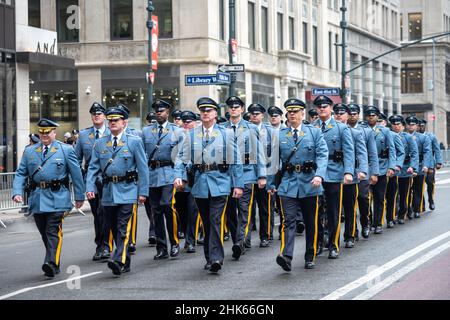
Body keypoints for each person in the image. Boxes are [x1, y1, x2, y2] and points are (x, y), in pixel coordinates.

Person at [174, 97, 244, 273]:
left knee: (215, 220)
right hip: (200, 183)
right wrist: (178, 176)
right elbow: (181, 158)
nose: (205, 113)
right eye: (203, 111)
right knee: (206, 222)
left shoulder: (226, 133)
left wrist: (238, 185)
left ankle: (216, 258)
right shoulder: (191, 135)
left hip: (220, 181)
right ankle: (209, 257)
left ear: (215, 114)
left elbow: (236, 161)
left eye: (209, 110)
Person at [12, 119, 85, 277]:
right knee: (44, 232)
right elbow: (21, 173)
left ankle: (50, 262)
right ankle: (53, 261)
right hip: (37, 198)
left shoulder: (65, 149)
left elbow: (76, 175)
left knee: (52, 230)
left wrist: (79, 196)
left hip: (58, 197)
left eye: (47, 132)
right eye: (42, 132)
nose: (44, 135)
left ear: (54, 132)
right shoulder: (30, 151)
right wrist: (17, 192)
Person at [86, 107, 149, 276]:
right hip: (108, 192)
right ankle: (125, 261)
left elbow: (143, 169)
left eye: (116, 120)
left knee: (123, 227)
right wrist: (90, 187)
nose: (112, 123)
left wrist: (143, 192)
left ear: (124, 123)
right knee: (113, 227)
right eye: (110, 120)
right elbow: (93, 167)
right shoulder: (100, 143)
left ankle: (118, 259)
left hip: (128, 190)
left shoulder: (134, 141)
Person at [268, 98, 328, 270]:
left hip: (311, 183)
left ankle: (310, 254)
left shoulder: (314, 133)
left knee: (311, 222)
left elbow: (323, 155)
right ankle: (286, 256)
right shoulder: (280, 135)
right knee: (288, 222)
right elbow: (273, 162)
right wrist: (272, 184)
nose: (292, 114)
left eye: (296, 111)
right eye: (290, 111)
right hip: (288, 184)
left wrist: (319, 176)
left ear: (303, 113)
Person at [222, 96, 266, 260]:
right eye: (231, 107)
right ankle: (237, 240)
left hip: (247, 172)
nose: (233, 109)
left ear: (242, 109)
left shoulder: (251, 128)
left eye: (237, 107)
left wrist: (261, 175)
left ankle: (240, 242)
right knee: (230, 212)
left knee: (244, 210)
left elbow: (259, 152)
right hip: (227, 174)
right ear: (228, 110)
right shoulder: (221, 128)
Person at [312, 95, 355, 259]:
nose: (322, 108)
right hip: (316, 174)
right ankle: (317, 243)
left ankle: (333, 244)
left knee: (333, 211)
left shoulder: (340, 128)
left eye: (325, 106)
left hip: (334, 172)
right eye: (319, 106)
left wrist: (348, 171)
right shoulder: (311, 127)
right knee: (316, 211)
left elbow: (349, 151)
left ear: (331, 108)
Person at [142, 100, 184, 260]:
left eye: (162, 110)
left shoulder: (177, 131)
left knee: (168, 206)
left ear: (168, 112)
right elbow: (141, 155)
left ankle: (174, 242)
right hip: (152, 174)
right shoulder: (146, 131)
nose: (159, 113)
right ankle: (161, 247)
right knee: (156, 211)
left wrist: (180, 175)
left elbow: (181, 155)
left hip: (169, 173)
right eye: (157, 110)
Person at [75, 102, 111, 261]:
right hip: (92, 178)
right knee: (98, 214)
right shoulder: (84, 135)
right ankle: (101, 245)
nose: (97, 115)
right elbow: (76, 159)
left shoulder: (112, 132)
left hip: (109, 177)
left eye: (99, 113)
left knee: (107, 212)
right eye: (94, 113)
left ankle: (108, 245)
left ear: (104, 116)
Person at [333, 104, 368, 248]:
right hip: (332, 174)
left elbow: (361, 153)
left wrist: (362, 170)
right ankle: (329, 238)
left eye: (342, 113)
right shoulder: (327, 131)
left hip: (350, 175)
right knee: (332, 209)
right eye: (337, 113)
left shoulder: (355, 133)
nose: (339, 116)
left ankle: (349, 235)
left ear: (347, 116)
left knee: (349, 208)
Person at [347, 104, 379, 239]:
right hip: (348, 171)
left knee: (363, 199)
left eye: (355, 114)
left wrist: (374, 173)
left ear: (358, 115)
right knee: (349, 203)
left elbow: (372, 154)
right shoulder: (343, 129)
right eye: (350, 113)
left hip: (362, 171)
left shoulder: (366, 131)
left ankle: (365, 223)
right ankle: (352, 231)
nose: (352, 116)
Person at [364, 106, 396, 234]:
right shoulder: (362, 130)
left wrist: (391, 166)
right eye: (369, 115)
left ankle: (377, 223)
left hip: (382, 167)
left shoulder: (385, 131)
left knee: (379, 197)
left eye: (373, 115)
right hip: (366, 167)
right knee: (366, 198)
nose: (371, 117)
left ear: (377, 117)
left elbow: (392, 150)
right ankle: (369, 221)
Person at [247, 103, 274, 248]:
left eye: (257, 114)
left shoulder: (269, 131)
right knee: (248, 209)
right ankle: (247, 238)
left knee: (265, 207)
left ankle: (265, 235)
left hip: (266, 173)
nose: (254, 116)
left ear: (262, 115)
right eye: (252, 114)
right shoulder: (244, 129)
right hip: (249, 173)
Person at [174, 110, 200, 253]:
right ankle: (184, 232)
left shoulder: (198, 136)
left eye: (189, 122)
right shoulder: (176, 136)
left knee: (192, 210)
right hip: (177, 179)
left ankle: (191, 240)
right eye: (184, 122)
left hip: (193, 179)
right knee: (181, 210)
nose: (186, 124)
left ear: (194, 122)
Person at [389, 115, 418, 224]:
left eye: (398, 124)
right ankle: (392, 215)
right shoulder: (389, 136)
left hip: (405, 169)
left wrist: (413, 166)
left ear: (402, 126)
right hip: (392, 169)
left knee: (404, 194)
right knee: (392, 195)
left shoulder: (407, 137)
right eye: (394, 124)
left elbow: (414, 153)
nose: (396, 126)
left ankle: (402, 214)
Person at [405, 116, 432, 218]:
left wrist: (426, 165)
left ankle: (416, 209)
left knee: (417, 189)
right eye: (409, 124)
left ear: (416, 126)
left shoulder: (423, 137)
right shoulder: (402, 136)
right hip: (406, 166)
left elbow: (427, 152)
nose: (411, 126)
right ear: (406, 125)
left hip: (420, 166)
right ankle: (407, 209)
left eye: (413, 124)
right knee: (406, 190)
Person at [419, 119, 443, 211]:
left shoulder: (431, 136)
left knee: (430, 183)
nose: (421, 127)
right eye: (419, 126)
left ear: (425, 126)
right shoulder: (414, 136)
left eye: (422, 126)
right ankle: (422, 204)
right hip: (419, 163)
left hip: (430, 164)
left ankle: (431, 200)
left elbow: (437, 149)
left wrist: (439, 162)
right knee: (419, 185)